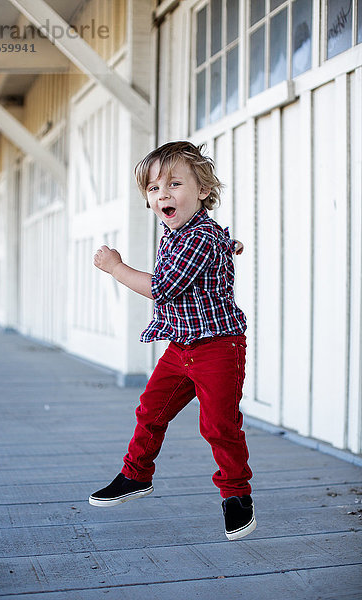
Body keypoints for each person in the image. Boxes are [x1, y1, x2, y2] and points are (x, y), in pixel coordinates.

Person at [89, 141, 255, 541]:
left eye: (175, 183)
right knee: (151, 410)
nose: (163, 194)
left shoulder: (196, 237)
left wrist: (116, 268)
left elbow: (163, 286)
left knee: (219, 425)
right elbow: (210, 245)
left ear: (202, 190)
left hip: (217, 348)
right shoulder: (182, 232)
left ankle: (237, 497)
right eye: (153, 188)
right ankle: (135, 475)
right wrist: (226, 246)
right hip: (182, 348)